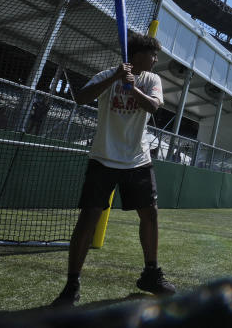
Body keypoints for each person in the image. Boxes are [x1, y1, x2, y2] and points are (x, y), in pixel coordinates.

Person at [53, 33, 172, 306]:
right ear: (139, 54)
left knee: (150, 215)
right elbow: (81, 98)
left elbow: (153, 106)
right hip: (103, 158)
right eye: (153, 55)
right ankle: (71, 285)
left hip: (137, 159)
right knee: (89, 218)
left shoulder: (152, 80)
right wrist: (115, 78)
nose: (155, 61)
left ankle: (151, 274)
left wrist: (133, 88)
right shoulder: (108, 74)